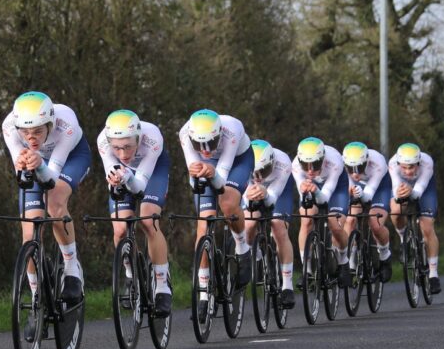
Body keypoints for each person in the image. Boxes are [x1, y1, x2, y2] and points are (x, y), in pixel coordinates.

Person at [2, 91, 91, 340]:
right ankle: (36, 299)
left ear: (50, 125)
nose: (31, 137)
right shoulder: (9, 127)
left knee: (54, 203)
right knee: (29, 231)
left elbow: (51, 178)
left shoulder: (66, 124)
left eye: (38, 132)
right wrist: (26, 165)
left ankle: (72, 269)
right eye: (25, 132)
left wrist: (39, 163)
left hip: (71, 158)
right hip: (37, 163)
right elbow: (22, 176)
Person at [179, 109, 253, 321]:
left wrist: (213, 173)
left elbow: (221, 179)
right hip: (208, 168)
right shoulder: (185, 133)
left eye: (211, 143)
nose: (205, 150)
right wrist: (200, 174)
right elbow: (195, 180)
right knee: (204, 225)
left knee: (228, 203)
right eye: (199, 145)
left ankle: (242, 247)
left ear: (219, 134)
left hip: (237, 161)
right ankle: (203, 292)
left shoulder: (232, 129)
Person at [98, 110, 172, 317]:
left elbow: (139, 187)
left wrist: (127, 176)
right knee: (120, 229)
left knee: (149, 221)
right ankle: (130, 273)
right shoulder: (103, 142)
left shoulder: (152, 137)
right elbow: (112, 171)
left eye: (128, 147)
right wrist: (116, 177)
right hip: (124, 173)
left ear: (138, 138)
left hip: (152, 170)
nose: (123, 154)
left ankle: (162, 286)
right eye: (117, 148)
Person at [243, 140, 296, 308]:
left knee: (278, 227)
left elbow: (272, 198)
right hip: (249, 188)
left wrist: (265, 194)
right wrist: (250, 196)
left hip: (278, 190)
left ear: (271, 162)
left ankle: (287, 286)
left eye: (263, 171)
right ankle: (257, 257)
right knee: (250, 224)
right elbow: (243, 194)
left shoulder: (283, 162)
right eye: (255, 172)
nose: (258, 177)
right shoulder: (243, 159)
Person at [292, 137, 352, 288]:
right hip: (313, 187)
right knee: (306, 221)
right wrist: (306, 192)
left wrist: (316, 191)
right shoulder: (295, 165)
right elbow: (304, 196)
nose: (310, 170)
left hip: (336, 187)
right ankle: (307, 270)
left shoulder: (335, 162)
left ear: (323, 159)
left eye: (315, 164)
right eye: (306, 165)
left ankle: (344, 262)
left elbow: (325, 197)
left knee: (336, 226)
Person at [388, 143, 441, 294]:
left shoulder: (427, 162)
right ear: (398, 164)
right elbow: (396, 190)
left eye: (411, 167)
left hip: (424, 188)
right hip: (402, 186)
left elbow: (419, 191)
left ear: (418, 163)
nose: (408, 171)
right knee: (396, 211)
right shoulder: (392, 163)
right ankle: (404, 239)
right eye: (404, 167)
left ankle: (433, 274)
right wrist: (401, 194)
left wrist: (412, 191)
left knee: (427, 227)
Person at [340, 141, 393, 282]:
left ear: (366, 161)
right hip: (357, 188)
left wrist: (358, 193)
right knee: (350, 220)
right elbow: (348, 184)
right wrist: (351, 191)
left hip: (380, 188)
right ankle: (351, 264)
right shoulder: (341, 165)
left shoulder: (378, 163)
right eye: (351, 168)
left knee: (375, 224)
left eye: (360, 167)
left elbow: (368, 195)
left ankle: (385, 255)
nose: (355, 173)